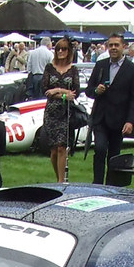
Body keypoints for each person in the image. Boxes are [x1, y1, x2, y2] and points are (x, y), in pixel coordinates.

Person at [84, 33, 134, 185]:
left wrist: (130, 121)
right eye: (111, 45)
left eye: (116, 45)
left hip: (119, 120)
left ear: (124, 47)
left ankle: (111, 186)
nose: (113, 48)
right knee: (100, 149)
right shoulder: (101, 66)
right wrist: (97, 91)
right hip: (101, 118)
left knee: (114, 155)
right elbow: (88, 90)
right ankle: (97, 184)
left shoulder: (133, 69)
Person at [42, 36, 81, 183]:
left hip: (66, 113)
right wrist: (63, 91)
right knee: (53, 150)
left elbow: (75, 92)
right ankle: (57, 176)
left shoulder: (73, 69)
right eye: (58, 48)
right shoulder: (49, 68)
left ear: (69, 51)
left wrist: (57, 92)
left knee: (61, 147)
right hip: (51, 112)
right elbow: (45, 90)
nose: (60, 51)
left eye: (64, 49)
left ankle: (61, 181)